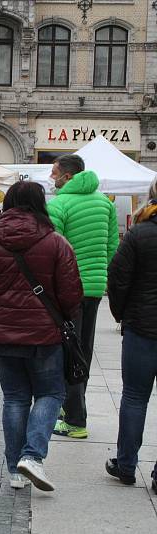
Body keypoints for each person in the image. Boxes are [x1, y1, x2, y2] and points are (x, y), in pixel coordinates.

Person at [0, 181, 83, 492]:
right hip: (44, 335)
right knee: (51, 394)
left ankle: (15, 471)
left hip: (1, 335)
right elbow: (72, 296)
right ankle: (32, 456)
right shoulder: (56, 243)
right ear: (40, 203)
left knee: (15, 398)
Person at [47, 154, 119, 440]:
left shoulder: (60, 204)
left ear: (67, 175)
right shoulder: (105, 203)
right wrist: (103, 278)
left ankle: (75, 418)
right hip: (94, 288)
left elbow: (54, 250)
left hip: (68, 289)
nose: (52, 179)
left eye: (54, 173)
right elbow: (113, 246)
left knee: (69, 351)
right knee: (83, 348)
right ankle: (72, 406)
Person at [104, 177, 157, 492]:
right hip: (140, 324)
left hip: (141, 328)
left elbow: (118, 277)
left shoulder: (139, 234)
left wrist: (121, 313)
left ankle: (126, 464)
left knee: (135, 396)